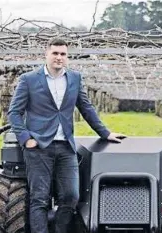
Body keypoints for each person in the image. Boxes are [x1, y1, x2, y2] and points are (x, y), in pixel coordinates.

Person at [8, 38, 126, 233]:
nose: (59, 57)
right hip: (38, 146)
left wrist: (105, 133)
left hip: (66, 146)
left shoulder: (75, 78)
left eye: (63, 54)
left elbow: (86, 108)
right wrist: (26, 139)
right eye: (55, 53)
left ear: (67, 57)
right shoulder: (28, 79)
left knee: (71, 195)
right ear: (46, 54)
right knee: (39, 197)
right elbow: (14, 112)